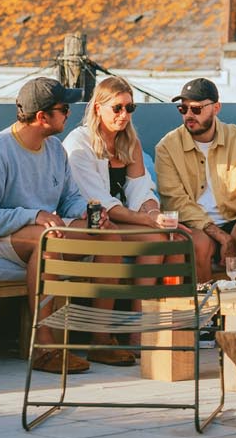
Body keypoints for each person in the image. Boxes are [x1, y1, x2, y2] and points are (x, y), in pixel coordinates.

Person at [0, 78, 95, 374]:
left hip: (36, 231)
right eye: (64, 109)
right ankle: (44, 348)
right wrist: (33, 215)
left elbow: (70, 199)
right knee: (48, 241)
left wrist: (88, 213)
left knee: (105, 236)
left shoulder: (55, 149)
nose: (69, 114)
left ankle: (103, 339)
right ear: (42, 117)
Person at [62, 75, 173, 364]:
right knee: (129, 236)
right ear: (97, 108)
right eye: (117, 108)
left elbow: (141, 189)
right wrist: (145, 220)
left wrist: (153, 213)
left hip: (123, 218)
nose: (124, 115)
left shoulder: (129, 142)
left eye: (129, 108)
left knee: (160, 237)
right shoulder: (79, 143)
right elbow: (98, 201)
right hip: (90, 219)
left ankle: (137, 330)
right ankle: (102, 336)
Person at [154, 78, 236, 277]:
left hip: (234, 219)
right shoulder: (167, 147)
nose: (188, 115)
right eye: (183, 109)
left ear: (216, 107)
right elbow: (175, 202)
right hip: (195, 224)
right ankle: (205, 298)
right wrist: (221, 236)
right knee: (198, 244)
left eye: (196, 109)